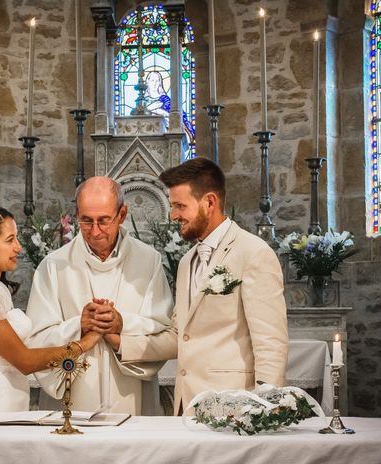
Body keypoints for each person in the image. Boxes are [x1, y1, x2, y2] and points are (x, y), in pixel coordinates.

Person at [118, 158, 288, 415]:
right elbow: (181, 336)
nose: (173, 215)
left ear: (209, 202)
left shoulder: (253, 253)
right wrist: (118, 340)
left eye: (179, 206)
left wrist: (265, 409)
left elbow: (270, 342)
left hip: (236, 409)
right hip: (187, 407)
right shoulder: (187, 261)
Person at [26, 177, 174, 415]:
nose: (95, 231)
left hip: (131, 394)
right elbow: (35, 340)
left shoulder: (149, 261)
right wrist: (80, 325)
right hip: (72, 397)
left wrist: (121, 324)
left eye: (104, 221)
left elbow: (164, 331)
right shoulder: (53, 266)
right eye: (86, 221)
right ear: (76, 215)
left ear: (122, 215)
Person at [0, 203, 101, 415]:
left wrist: (78, 324)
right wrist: (83, 344)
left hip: (9, 398)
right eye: (10, 240)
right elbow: (25, 361)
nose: (18, 247)